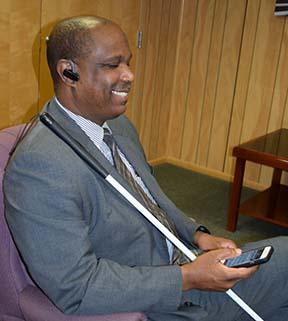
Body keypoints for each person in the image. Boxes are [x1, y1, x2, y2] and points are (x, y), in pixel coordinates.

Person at [4, 15, 288, 321]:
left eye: (128, 62)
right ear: (68, 72)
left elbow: (153, 202)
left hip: (185, 261)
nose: (129, 75)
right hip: (161, 300)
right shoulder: (39, 167)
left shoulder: (118, 125)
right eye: (113, 65)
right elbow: (77, 287)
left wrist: (198, 234)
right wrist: (188, 277)